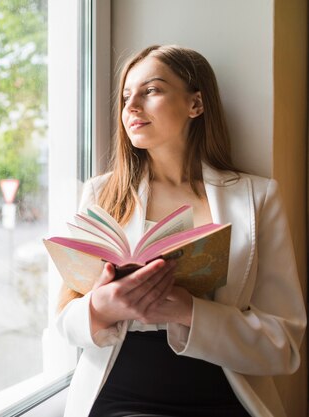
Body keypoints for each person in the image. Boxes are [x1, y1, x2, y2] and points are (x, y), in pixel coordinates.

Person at [55, 45, 306, 417]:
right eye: (126, 96)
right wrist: (102, 306)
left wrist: (189, 310)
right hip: (118, 395)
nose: (132, 107)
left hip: (225, 395)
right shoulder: (102, 194)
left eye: (151, 90)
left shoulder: (256, 197)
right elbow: (64, 323)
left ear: (196, 104)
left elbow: (282, 346)